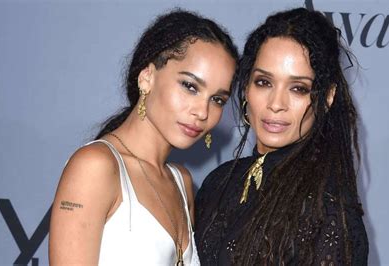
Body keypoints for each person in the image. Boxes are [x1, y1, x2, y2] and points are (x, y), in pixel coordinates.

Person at [49, 9, 238, 265]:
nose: (202, 111)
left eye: (217, 100)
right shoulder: (95, 166)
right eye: (190, 86)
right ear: (147, 77)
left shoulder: (181, 182)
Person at [195, 8, 368, 265]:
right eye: (264, 82)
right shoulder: (219, 182)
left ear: (327, 97)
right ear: (246, 87)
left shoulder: (329, 212)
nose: (276, 104)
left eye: (298, 88)